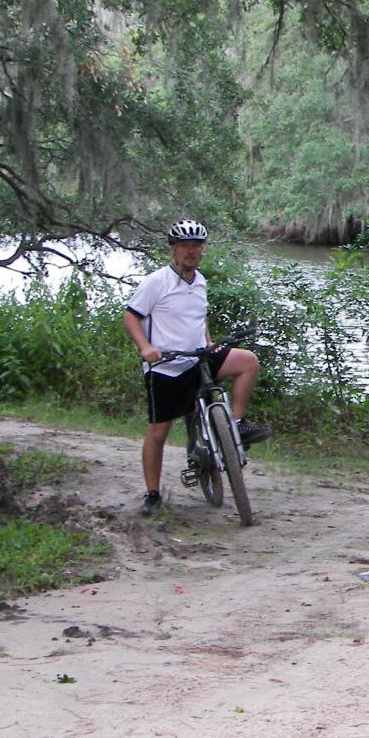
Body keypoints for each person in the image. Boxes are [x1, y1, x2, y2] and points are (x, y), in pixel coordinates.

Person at [123, 219, 271, 516]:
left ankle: (236, 423)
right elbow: (131, 316)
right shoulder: (157, 282)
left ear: (202, 250)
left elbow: (197, 318)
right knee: (158, 431)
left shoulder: (200, 281)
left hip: (199, 357)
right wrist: (146, 348)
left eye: (196, 246)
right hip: (166, 366)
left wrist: (209, 342)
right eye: (184, 246)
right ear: (174, 250)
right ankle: (152, 494)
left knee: (247, 361)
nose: (190, 252)